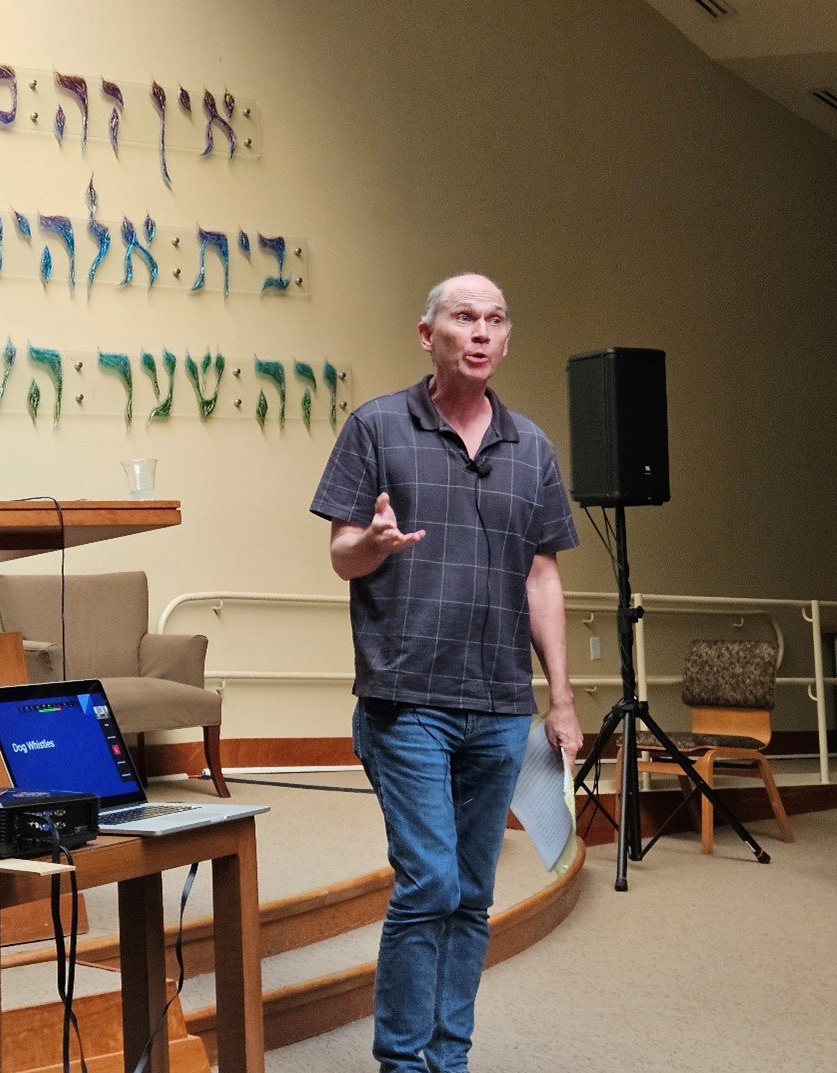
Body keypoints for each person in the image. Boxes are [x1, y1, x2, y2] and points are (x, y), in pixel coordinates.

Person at [310, 273, 582, 1073]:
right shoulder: (376, 427)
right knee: (429, 881)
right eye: (464, 317)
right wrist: (376, 546)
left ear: (506, 340)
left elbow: (542, 577)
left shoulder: (531, 447)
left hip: (500, 705)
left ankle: (447, 1057)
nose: (481, 331)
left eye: (496, 319)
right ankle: (402, 1060)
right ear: (426, 333)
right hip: (405, 700)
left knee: (471, 894)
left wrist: (560, 699)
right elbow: (341, 553)